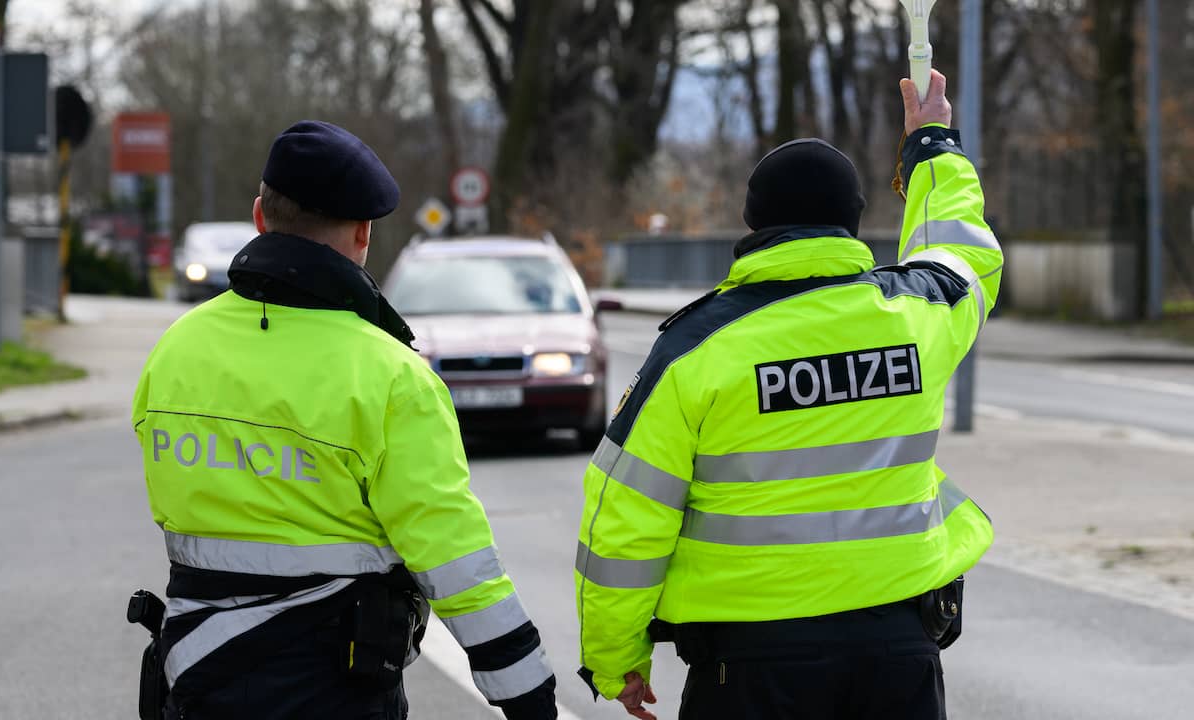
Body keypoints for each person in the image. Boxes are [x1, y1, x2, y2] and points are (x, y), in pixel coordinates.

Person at [574, 70, 999, 720]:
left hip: (751, 667)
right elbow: (964, 252)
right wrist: (931, 146)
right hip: (898, 653)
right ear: (853, 219)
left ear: (752, 221)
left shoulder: (697, 347)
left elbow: (625, 523)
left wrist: (617, 659)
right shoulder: (919, 313)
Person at [131, 120, 556, 720]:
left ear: (259, 216)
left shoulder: (175, 349)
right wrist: (530, 697)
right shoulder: (391, 377)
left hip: (194, 681)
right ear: (362, 233)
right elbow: (457, 563)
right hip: (331, 692)